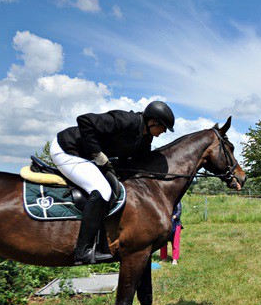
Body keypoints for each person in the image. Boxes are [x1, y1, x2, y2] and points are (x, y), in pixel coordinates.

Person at [50, 100, 175, 265]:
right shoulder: (125, 120)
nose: (164, 131)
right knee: (102, 190)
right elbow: (84, 120)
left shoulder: (145, 139)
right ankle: (83, 250)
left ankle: (103, 242)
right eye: (163, 127)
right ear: (153, 122)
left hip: (87, 158)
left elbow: (137, 163)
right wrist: (97, 153)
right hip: (67, 149)